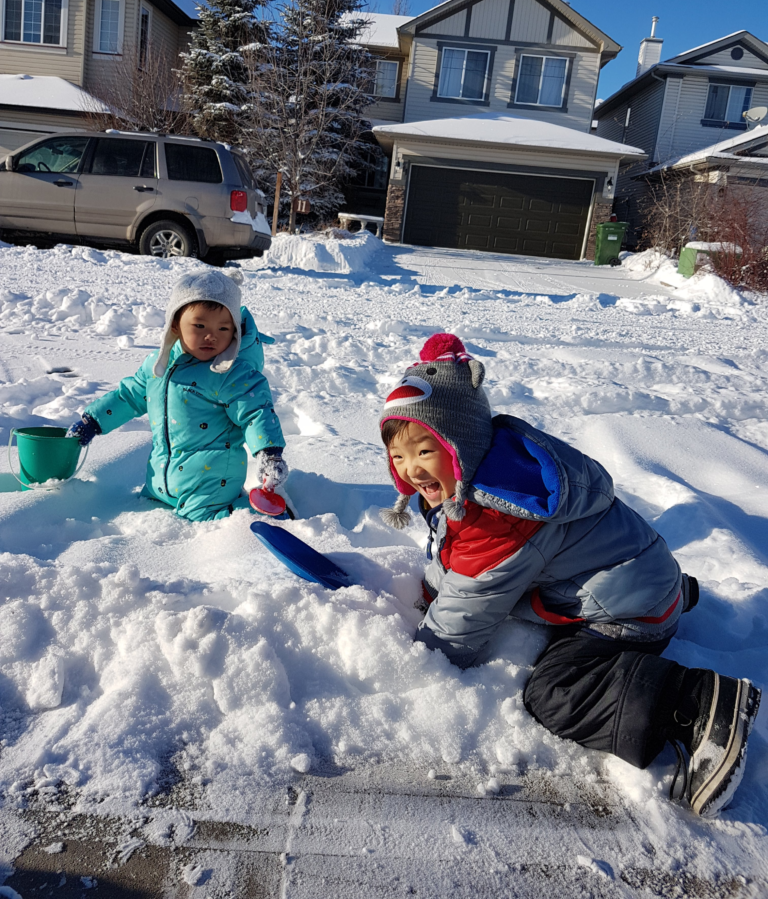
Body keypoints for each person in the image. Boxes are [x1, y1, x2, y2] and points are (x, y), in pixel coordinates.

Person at [379, 333, 761, 818]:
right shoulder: (496, 473)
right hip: (642, 569)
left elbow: (469, 610)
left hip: (630, 612)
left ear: (460, 444)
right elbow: (461, 555)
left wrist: (421, 662)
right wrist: (436, 585)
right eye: (398, 456)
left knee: (553, 692)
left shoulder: (503, 515)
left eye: (425, 452)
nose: (411, 469)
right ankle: (669, 594)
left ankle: (699, 701)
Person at [66, 268, 286, 522]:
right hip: (161, 479)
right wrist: (93, 421)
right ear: (175, 325)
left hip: (210, 484)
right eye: (199, 325)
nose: (210, 336)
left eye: (223, 328)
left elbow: (255, 412)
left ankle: (256, 518)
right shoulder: (158, 365)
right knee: (146, 512)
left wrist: (269, 452)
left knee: (210, 520)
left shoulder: (231, 374)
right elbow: (130, 397)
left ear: (235, 330)